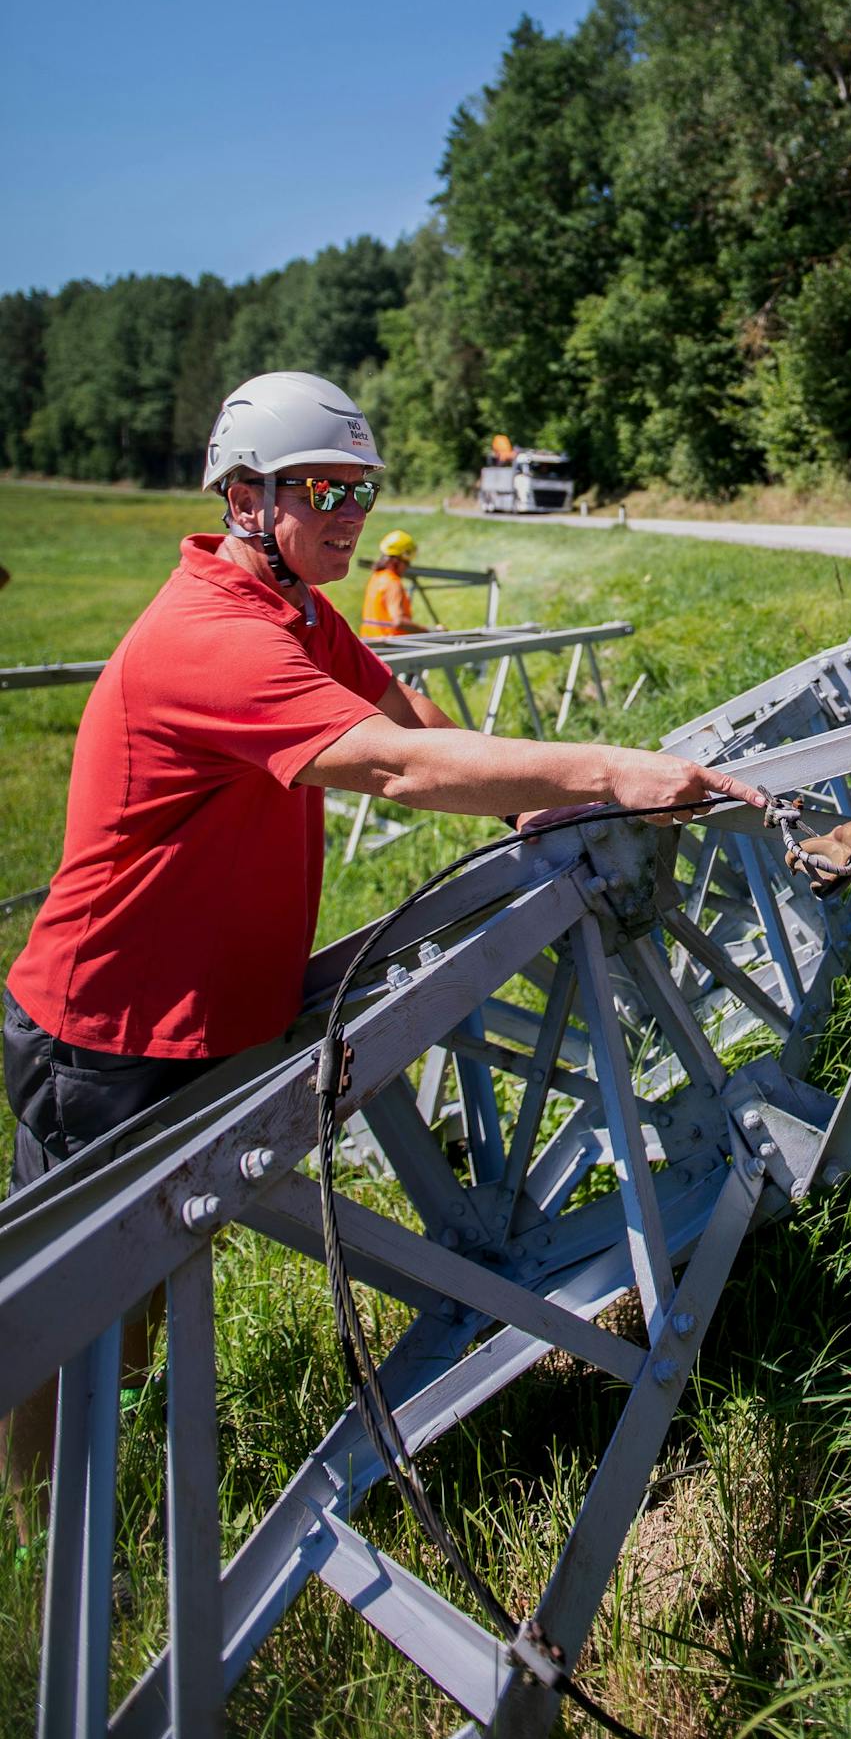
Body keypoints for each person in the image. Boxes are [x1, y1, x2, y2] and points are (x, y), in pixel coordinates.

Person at [2, 370, 762, 1516]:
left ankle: (105, 1500)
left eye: (363, 487)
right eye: (324, 488)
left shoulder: (299, 615)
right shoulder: (213, 638)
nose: (349, 513)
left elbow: (411, 720)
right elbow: (395, 768)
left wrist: (525, 805)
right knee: (69, 1318)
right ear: (247, 495)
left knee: (148, 1281)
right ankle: (39, 1536)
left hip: (196, 1011)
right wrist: (606, 768)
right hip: (109, 1031)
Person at [360, 527, 432, 639]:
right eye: (406, 562)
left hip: (370, 646)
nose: (408, 566)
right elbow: (398, 622)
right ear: (396, 561)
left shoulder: (376, 577)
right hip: (391, 648)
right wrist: (430, 631)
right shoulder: (392, 583)